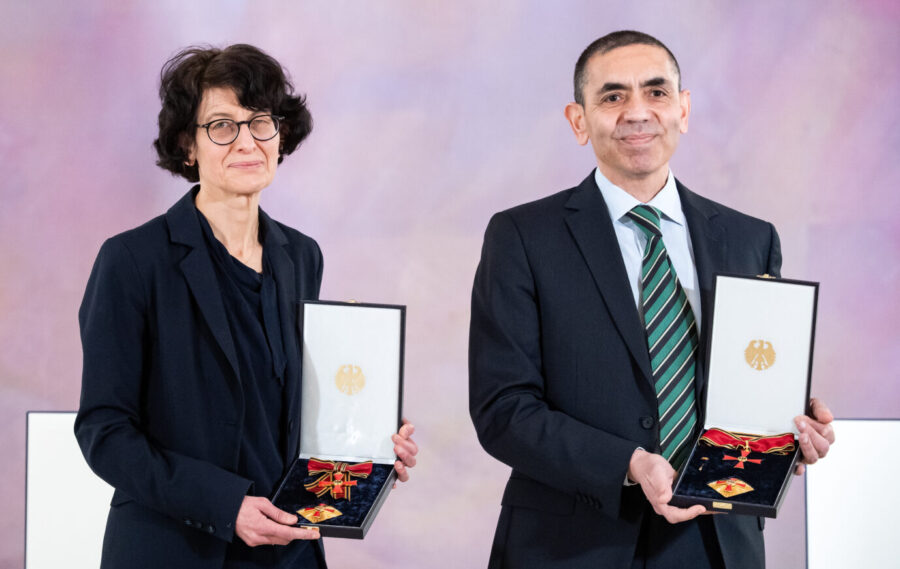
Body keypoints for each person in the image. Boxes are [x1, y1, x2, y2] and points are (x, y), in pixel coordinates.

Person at [468, 30, 834, 569]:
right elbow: (503, 410)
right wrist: (631, 463)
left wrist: (790, 426)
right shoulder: (523, 236)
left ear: (682, 110)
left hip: (717, 543)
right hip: (571, 545)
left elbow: (751, 376)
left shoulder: (749, 238)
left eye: (656, 92)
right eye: (613, 97)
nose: (637, 112)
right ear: (578, 120)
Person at [75, 44, 418, 569]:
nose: (246, 142)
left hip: (289, 548)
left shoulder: (302, 255)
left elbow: (290, 408)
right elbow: (105, 432)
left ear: (280, 137)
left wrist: (367, 444)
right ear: (188, 145)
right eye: (221, 125)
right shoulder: (131, 260)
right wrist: (224, 504)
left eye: (261, 122)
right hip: (177, 548)